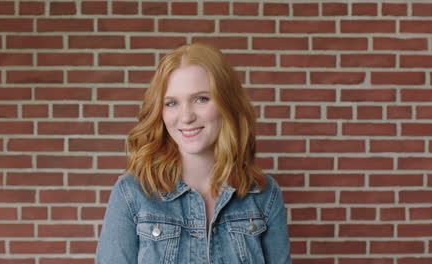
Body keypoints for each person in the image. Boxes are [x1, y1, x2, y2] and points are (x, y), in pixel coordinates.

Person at [95, 43, 291, 263]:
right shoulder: (132, 193)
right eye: (172, 103)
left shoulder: (264, 194)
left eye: (201, 99)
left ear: (227, 104)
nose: (186, 116)